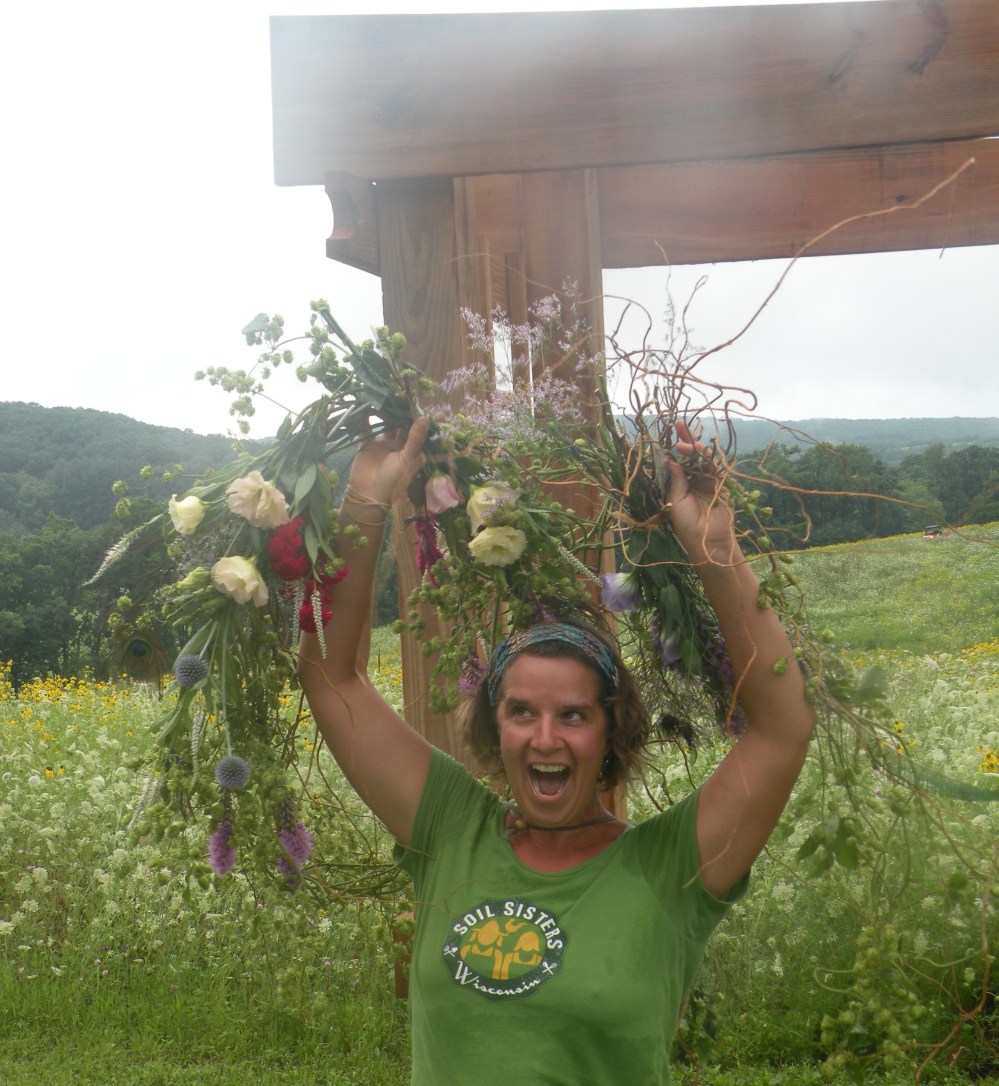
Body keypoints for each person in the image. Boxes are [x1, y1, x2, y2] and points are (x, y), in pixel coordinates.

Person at [298, 415, 815, 1085]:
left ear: (610, 733)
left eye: (572, 714)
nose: (544, 738)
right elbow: (330, 677)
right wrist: (366, 499)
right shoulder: (450, 829)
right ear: (495, 725)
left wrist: (713, 544)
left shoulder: (669, 870)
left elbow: (781, 728)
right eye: (520, 712)